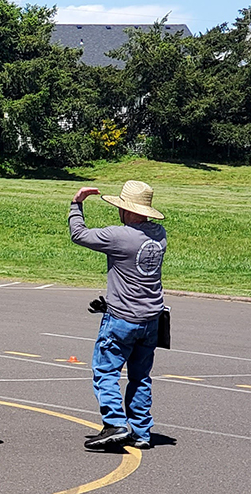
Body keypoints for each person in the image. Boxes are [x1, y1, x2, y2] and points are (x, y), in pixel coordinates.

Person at [68, 180, 167, 450]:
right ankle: (141, 431)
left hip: (123, 317)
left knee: (105, 371)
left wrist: (76, 204)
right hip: (151, 317)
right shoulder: (159, 235)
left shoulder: (120, 236)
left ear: (127, 210)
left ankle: (115, 424)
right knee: (140, 377)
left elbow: (79, 234)